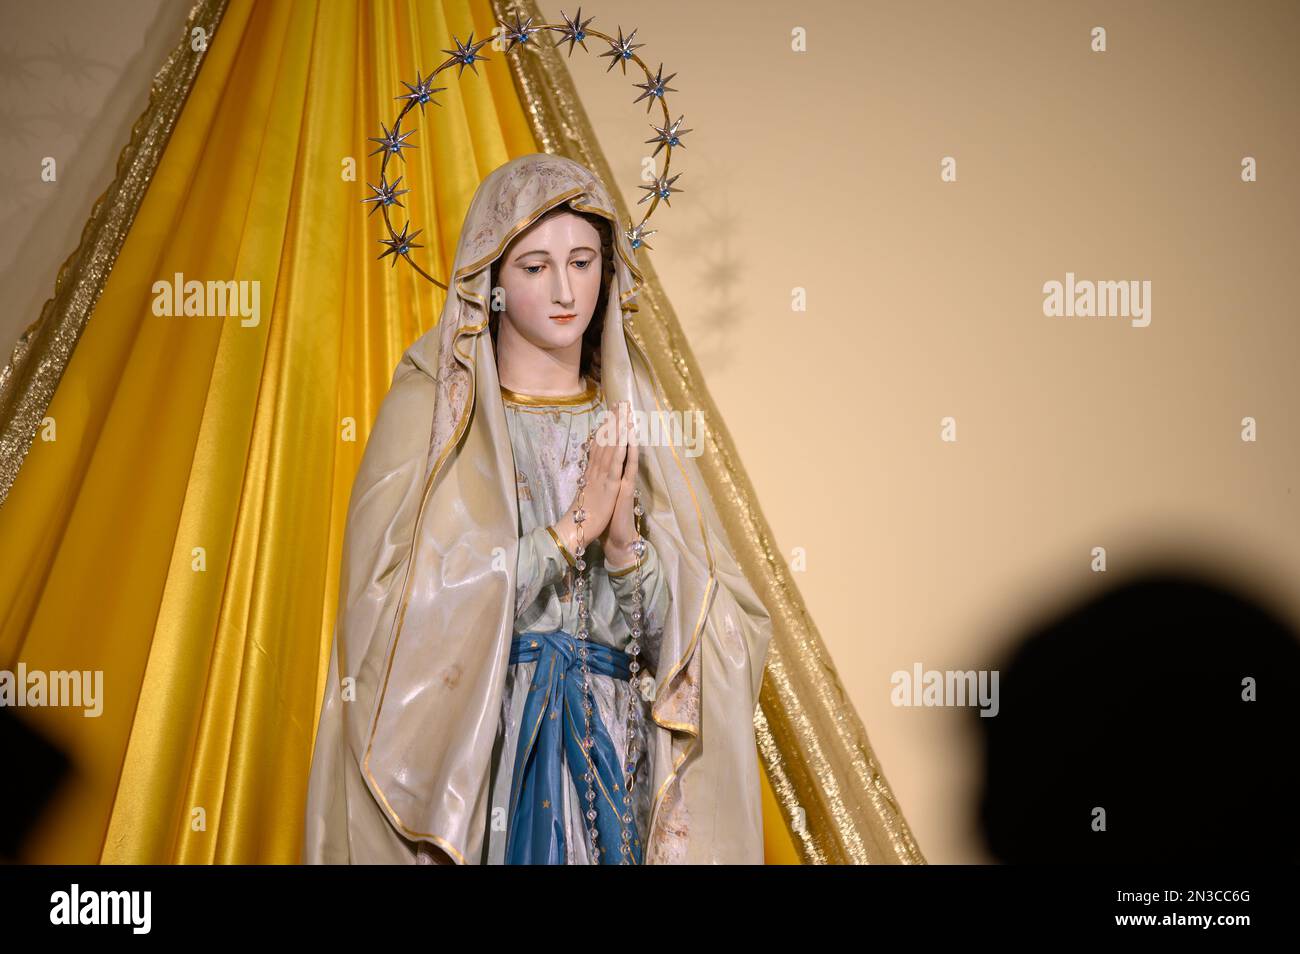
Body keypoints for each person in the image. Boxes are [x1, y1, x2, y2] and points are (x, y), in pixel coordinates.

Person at [303, 153, 772, 864]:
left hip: (614, 755)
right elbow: (392, 610)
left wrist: (622, 551)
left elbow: (683, 643)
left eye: (583, 262)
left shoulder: (635, 417)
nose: (564, 289)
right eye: (534, 267)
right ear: (490, 278)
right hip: (487, 750)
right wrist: (567, 530)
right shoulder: (432, 412)